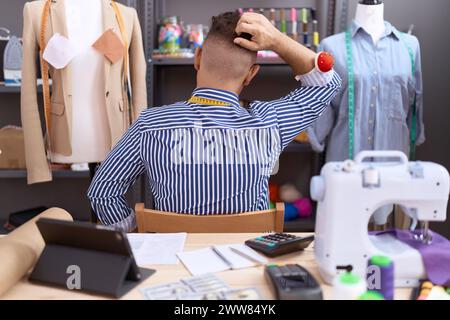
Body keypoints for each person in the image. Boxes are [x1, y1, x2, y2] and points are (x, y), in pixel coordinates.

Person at [87, 11, 342, 231]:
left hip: (173, 268)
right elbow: (327, 83)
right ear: (251, 75)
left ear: (198, 58)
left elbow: (102, 192)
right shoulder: (269, 124)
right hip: (246, 270)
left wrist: (136, 232)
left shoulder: (150, 125)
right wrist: (276, 40)